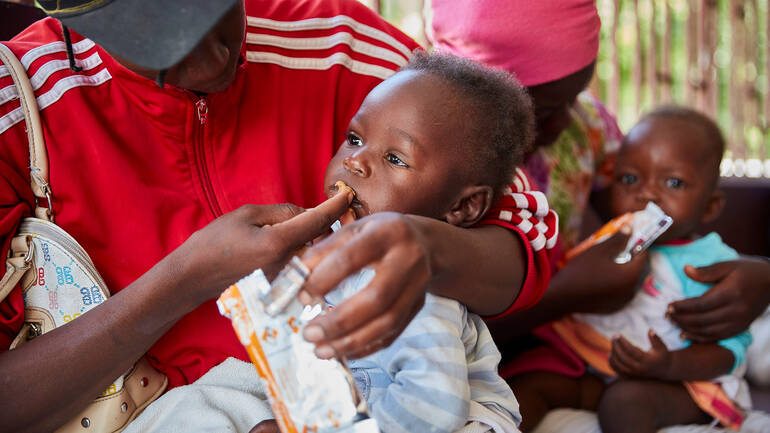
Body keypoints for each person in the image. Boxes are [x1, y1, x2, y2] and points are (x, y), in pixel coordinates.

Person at [0, 0, 556, 431]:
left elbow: (530, 239)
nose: (218, 57)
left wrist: (431, 250)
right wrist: (186, 278)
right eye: (166, 43)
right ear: (83, 19)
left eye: (220, 12)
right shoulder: (18, 102)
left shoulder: (347, 47)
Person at [129, 50, 549, 433]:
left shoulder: (415, 294)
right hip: (369, 399)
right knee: (208, 396)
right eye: (354, 139)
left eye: (395, 159)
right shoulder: (329, 247)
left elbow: (435, 411)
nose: (354, 162)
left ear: (461, 208)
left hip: (442, 420)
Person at [427, 0, 770, 384]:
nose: (564, 122)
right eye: (542, 113)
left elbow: (650, 215)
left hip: (565, 346)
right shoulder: (435, 161)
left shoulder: (585, 125)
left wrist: (759, 278)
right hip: (474, 357)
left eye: (575, 97)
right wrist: (564, 294)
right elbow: (440, 331)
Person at [512, 107, 752, 433]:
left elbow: (729, 351)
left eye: (673, 182)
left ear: (710, 206)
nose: (646, 194)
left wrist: (669, 366)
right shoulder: (611, 243)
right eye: (629, 179)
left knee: (624, 403)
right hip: (599, 366)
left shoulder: (708, 262)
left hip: (681, 383)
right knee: (528, 385)